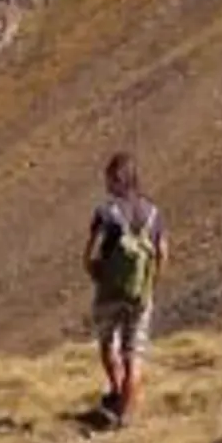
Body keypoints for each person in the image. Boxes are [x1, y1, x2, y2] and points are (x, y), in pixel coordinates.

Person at [83, 150, 165, 425]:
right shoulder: (153, 213)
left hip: (109, 291)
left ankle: (117, 395)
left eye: (108, 177)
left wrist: (98, 277)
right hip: (140, 293)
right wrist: (150, 283)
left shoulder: (106, 212)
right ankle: (125, 413)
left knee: (109, 344)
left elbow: (90, 254)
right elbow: (163, 252)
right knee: (134, 352)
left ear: (117, 179)